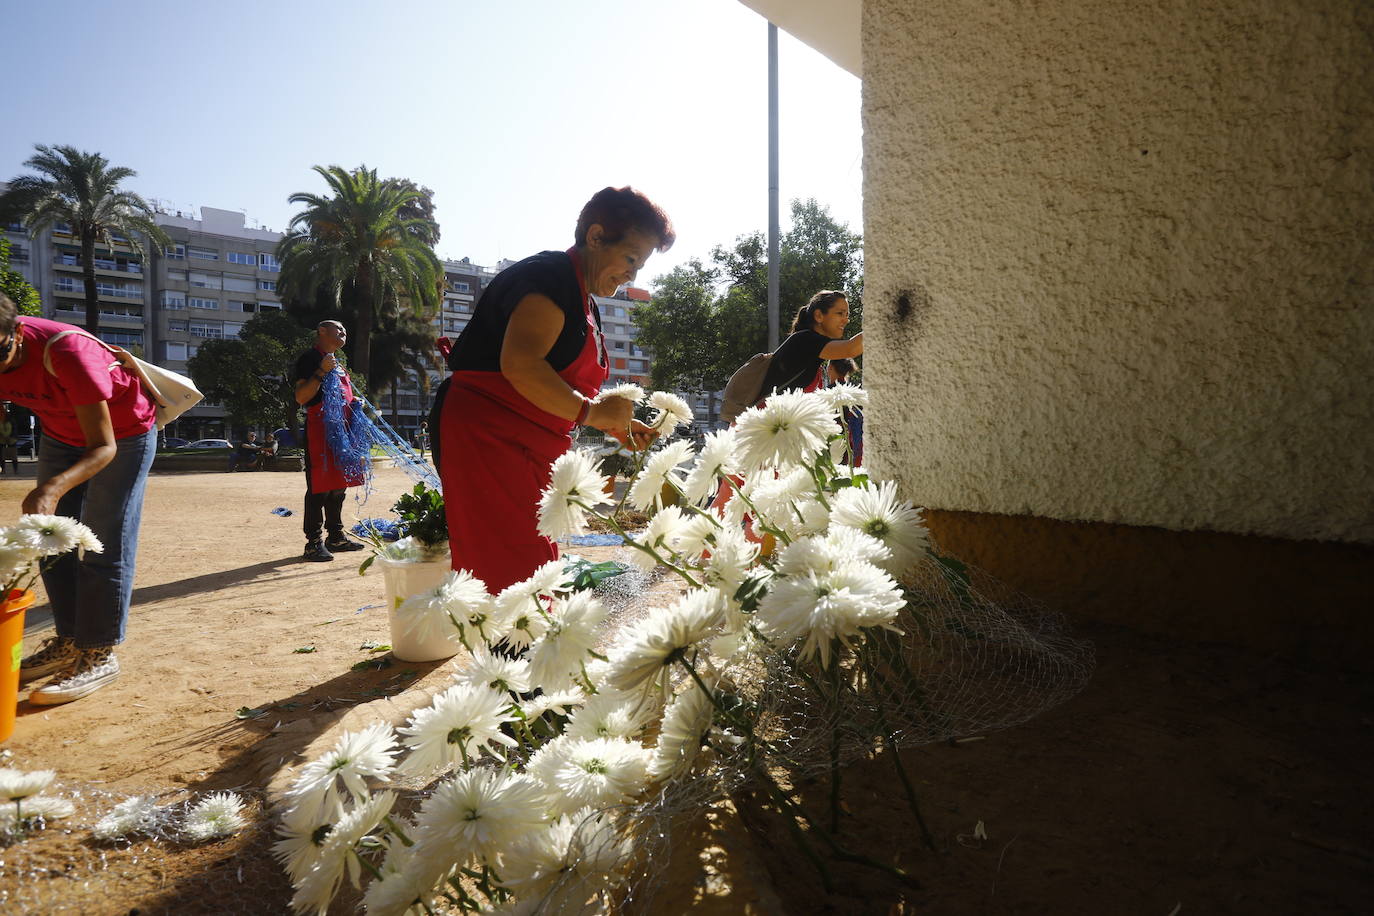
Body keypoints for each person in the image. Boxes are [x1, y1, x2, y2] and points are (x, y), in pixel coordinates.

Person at [434, 186, 672, 594]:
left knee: (536, 570)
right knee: (513, 575)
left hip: (528, 449)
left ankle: (528, 655)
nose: (633, 274)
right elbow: (521, 365)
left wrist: (613, 423)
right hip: (489, 439)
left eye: (641, 265)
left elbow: (558, 387)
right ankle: (516, 657)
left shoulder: (585, 300)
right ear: (596, 237)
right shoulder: (550, 278)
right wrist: (593, 413)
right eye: (631, 258)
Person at [0, 291, 158, 705]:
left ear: (16, 333)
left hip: (124, 435)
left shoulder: (66, 351)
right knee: (50, 541)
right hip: (59, 433)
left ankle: (99, 652)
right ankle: (70, 641)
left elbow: (102, 447)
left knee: (104, 540)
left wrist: (50, 488)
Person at [293, 320, 366, 561]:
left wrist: (356, 404)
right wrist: (321, 370)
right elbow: (302, 396)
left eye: (345, 329)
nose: (344, 332)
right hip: (320, 431)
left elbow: (344, 396)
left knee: (338, 486)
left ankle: (335, 537)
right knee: (319, 487)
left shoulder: (340, 365)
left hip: (343, 433)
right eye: (338, 328)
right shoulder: (311, 359)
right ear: (321, 331)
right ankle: (313, 542)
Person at [828, 357, 864, 466]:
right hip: (856, 446)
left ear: (830, 368)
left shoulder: (827, 393)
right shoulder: (856, 392)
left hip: (834, 444)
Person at [0, 405, 17, 475]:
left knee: (13, 456)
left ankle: (15, 470)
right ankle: (3, 470)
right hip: (1, 440)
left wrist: (10, 438)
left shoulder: (11, 421)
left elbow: (14, 430)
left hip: (11, 440)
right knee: (2, 457)